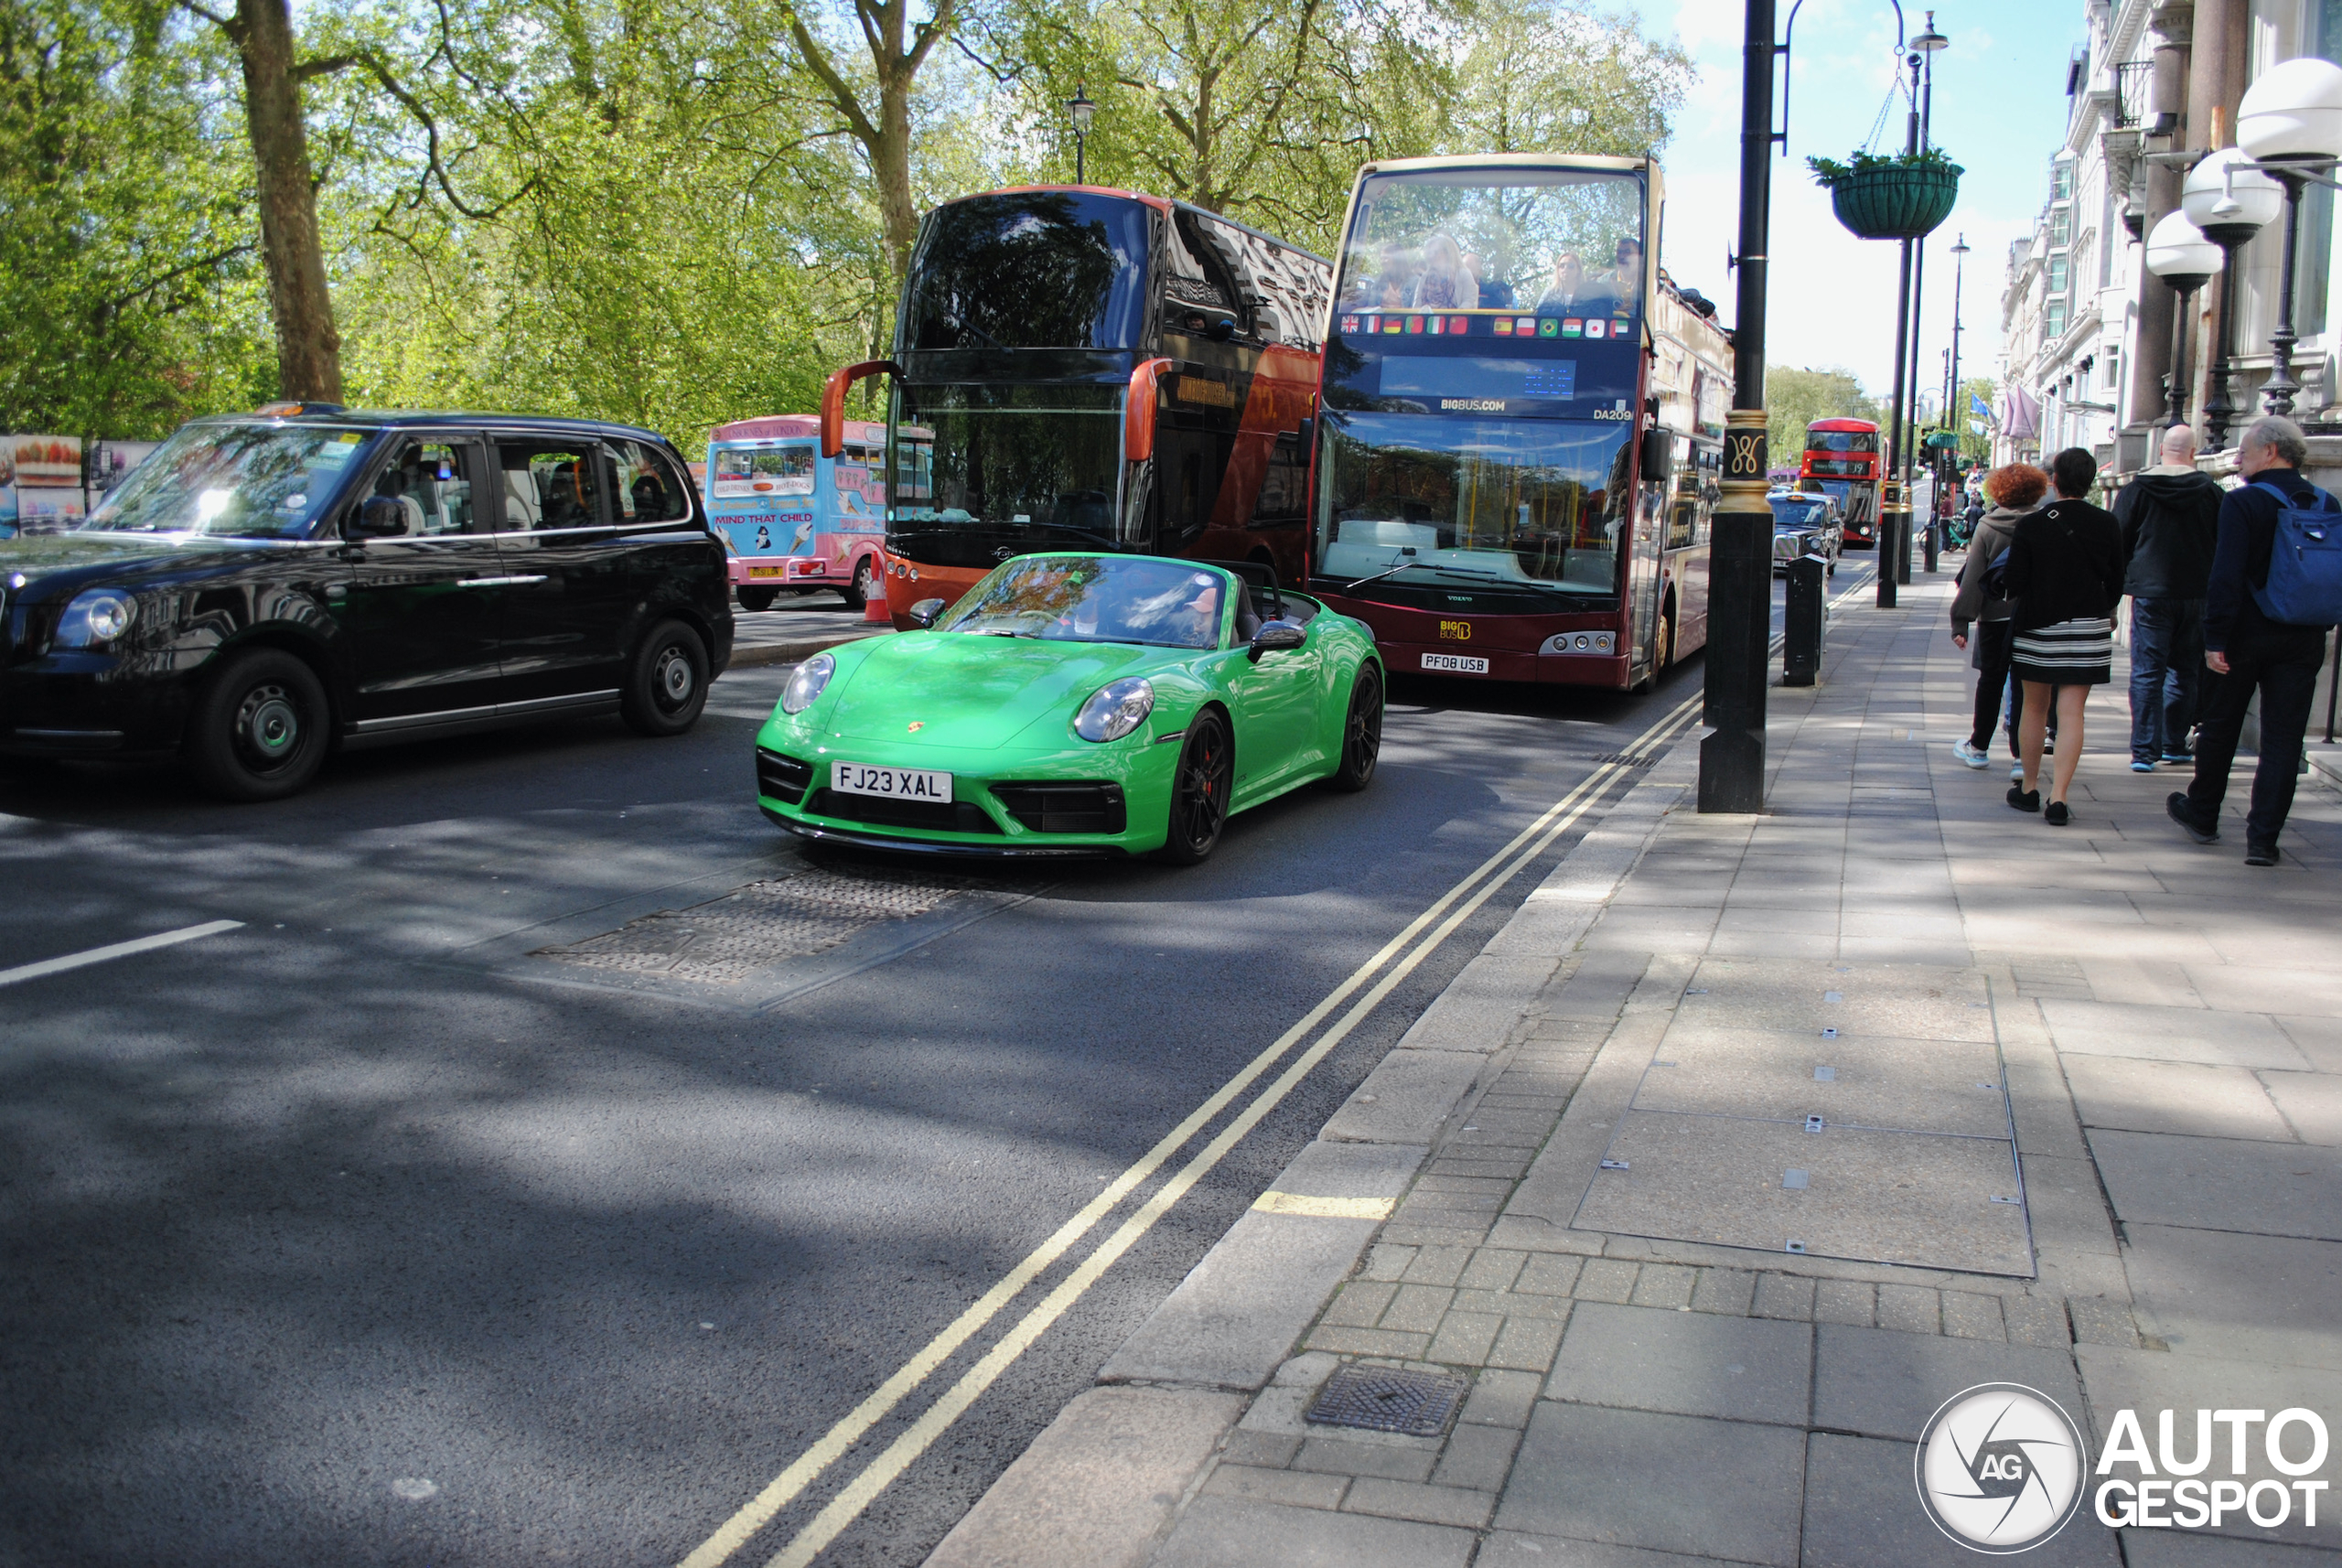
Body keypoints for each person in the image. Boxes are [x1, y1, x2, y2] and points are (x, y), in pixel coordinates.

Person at [2167, 415, 2340, 865]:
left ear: (2271, 452)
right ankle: (2263, 839)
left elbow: (2225, 574)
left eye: (2245, 450)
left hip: (2243, 635)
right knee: (2284, 740)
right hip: (2303, 636)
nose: (2238, 457)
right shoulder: (2327, 503)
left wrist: (2214, 637)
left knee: (2221, 726)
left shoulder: (2244, 503)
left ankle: (2203, 813)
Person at [2004, 447, 2126, 824]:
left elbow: (2014, 582)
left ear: (2054, 481)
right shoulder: (2107, 523)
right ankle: (2059, 798)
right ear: (2089, 482)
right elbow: (2118, 581)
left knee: (2034, 708)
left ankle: (2028, 788)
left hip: (2038, 625)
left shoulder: (2032, 525)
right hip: (2088, 626)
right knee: (2072, 712)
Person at [2111, 423, 2222, 772]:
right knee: (2184, 671)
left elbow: (2118, 541)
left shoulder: (2137, 491)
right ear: (2193, 453)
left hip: (2151, 592)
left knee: (2147, 671)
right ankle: (2175, 742)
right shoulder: (2213, 494)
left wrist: (2116, 589)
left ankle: (2144, 750)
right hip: (2197, 593)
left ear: (2161, 450)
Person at [1950, 463, 2046, 770]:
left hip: (1993, 617)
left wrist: (1960, 621)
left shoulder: (1987, 526)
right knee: (2023, 686)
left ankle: (1978, 747)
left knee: (1990, 682)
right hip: (2031, 617)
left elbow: (1974, 577)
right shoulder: (2043, 523)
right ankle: (2020, 756)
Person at [1413, 232, 1473, 311]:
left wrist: (1456, 316)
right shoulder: (1425, 277)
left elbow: (1469, 301)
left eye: (1435, 252)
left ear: (1447, 253)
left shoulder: (1464, 274)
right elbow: (1417, 305)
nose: (1431, 256)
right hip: (1428, 321)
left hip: (1455, 321)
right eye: (1429, 253)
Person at [1534, 251, 1594, 317]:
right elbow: (1537, 315)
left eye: (1571, 266)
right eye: (1562, 266)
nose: (1565, 269)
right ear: (1558, 270)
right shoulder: (1550, 292)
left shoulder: (1588, 295)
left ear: (1578, 270)